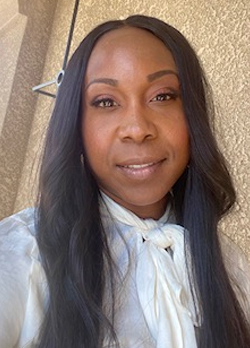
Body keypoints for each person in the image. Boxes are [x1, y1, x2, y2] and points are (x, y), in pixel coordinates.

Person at [0, 14, 249, 348]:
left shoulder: (230, 266)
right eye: (106, 102)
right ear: (76, 125)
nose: (137, 128)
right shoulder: (26, 251)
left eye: (163, 96)